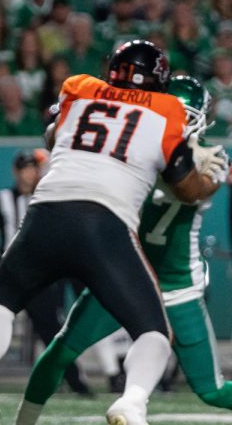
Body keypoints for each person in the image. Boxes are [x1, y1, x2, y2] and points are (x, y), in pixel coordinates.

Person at [0, 40, 224, 425]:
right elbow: (186, 187)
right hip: (104, 225)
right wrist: (199, 174)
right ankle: (131, 402)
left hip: (43, 216)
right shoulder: (166, 111)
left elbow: (53, 136)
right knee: (154, 333)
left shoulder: (79, 88)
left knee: (1, 303)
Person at [15, 75, 232, 424]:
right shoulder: (140, 143)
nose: (181, 121)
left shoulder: (212, 159)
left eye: (186, 114)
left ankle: (131, 403)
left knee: (211, 390)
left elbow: (191, 189)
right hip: (124, 272)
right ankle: (22, 421)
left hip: (177, 285)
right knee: (61, 351)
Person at [0, 149, 91, 397]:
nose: (29, 174)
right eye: (25, 168)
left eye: (33, 168)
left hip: (41, 272)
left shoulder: (45, 196)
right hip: (12, 271)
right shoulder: (3, 198)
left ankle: (74, 380)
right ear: (16, 171)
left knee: (50, 327)